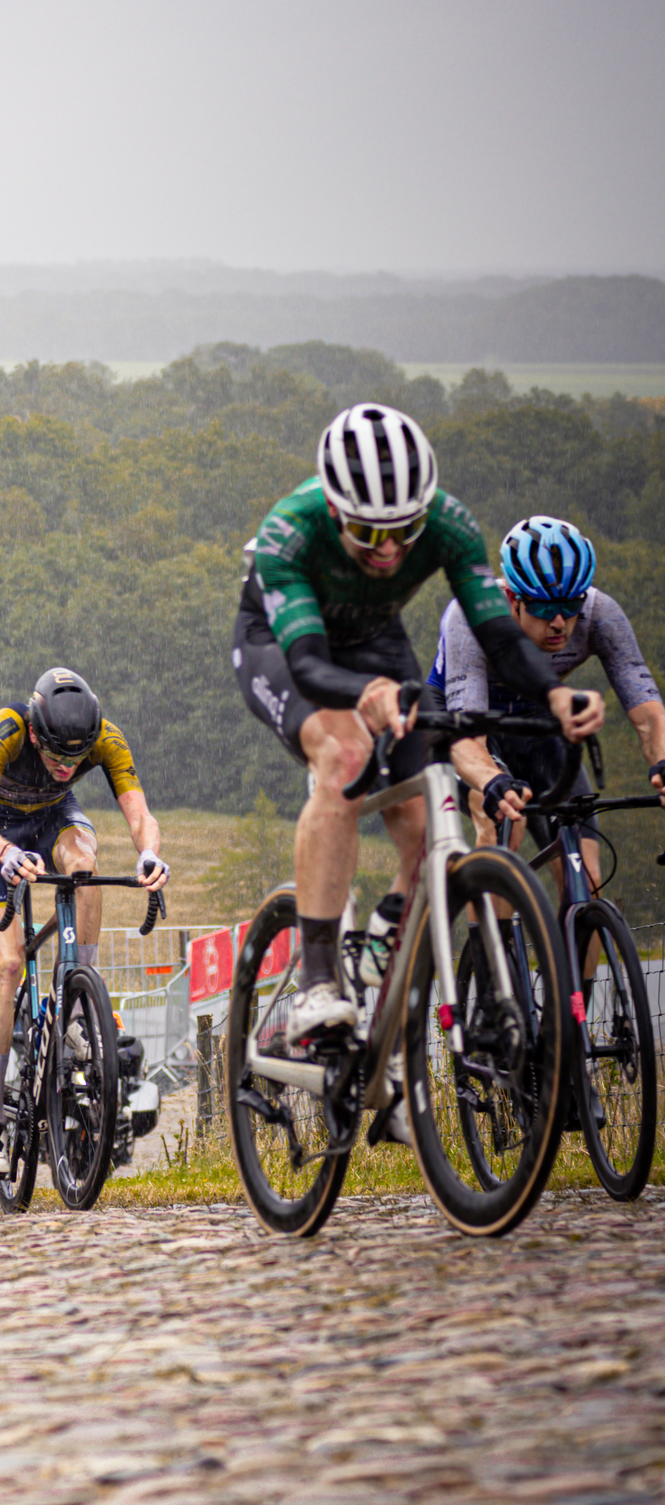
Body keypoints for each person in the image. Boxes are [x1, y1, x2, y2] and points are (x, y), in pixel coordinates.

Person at [235, 405, 600, 1068]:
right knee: (345, 756)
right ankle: (317, 984)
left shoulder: (452, 525)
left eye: (404, 532)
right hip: (286, 643)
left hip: (375, 638)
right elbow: (313, 663)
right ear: (335, 508)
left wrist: (555, 692)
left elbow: (497, 633)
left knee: (428, 806)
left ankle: (386, 977)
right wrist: (364, 696)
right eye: (366, 532)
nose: (388, 551)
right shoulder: (292, 529)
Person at [0, 667, 166, 1177]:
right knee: (7, 965)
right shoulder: (6, 730)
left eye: (77, 758)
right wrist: (5, 851)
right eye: (55, 756)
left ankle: (80, 992)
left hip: (53, 819)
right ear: (35, 733)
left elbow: (139, 813)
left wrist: (150, 854)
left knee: (83, 863)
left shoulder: (104, 737)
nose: (65, 765)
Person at [437, 516, 665, 891]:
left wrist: (661, 762)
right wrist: (492, 780)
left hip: (537, 723)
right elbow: (467, 737)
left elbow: (647, 713)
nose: (560, 622)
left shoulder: (599, 614)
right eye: (544, 608)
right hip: (466, 725)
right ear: (513, 598)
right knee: (502, 829)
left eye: (571, 604)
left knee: (586, 877)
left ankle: (574, 938)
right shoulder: (472, 617)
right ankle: (491, 943)